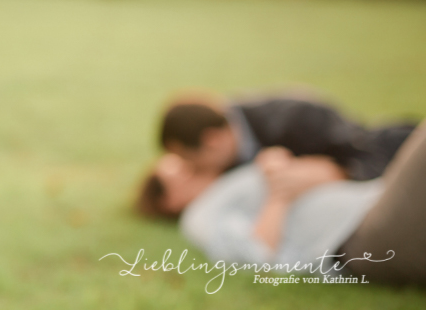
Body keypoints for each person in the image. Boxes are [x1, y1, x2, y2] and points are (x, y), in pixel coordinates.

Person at [179, 120, 426, 285]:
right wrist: (279, 195)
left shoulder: (237, 175)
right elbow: (258, 254)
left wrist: (286, 168)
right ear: (169, 201)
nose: (190, 166)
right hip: (359, 235)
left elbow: (333, 171)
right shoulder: (201, 214)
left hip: (372, 195)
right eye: (181, 170)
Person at [136, 94, 416, 218]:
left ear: (212, 141)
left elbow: (373, 156)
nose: (196, 171)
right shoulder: (226, 143)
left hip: (408, 154)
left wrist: (338, 172)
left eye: (192, 162)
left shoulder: (296, 118)